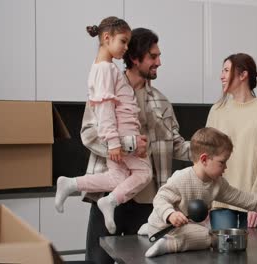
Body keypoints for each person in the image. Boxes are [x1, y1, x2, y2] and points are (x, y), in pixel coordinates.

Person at [80, 27, 191, 264]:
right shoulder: (106, 88)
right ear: (134, 58)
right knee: (98, 260)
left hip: (147, 203)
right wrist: (127, 146)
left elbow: (176, 146)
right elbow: (89, 134)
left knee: (142, 261)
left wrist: (207, 151)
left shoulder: (161, 101)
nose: (159, 62)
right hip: (109, 196)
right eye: (153, 56)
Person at [54, 16, 152, 235]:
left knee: (118, 178)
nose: (126, 48)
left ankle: (72, 185)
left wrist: (115, 142)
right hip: (123, 133)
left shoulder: (104, 68)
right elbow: (105, 109)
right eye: (123, 41)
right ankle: (108, 201)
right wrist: (115, 143)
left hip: (120, 134)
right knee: (144, 173)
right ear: (107, 38)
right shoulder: (105, 69)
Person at [137, 127, 257, 258]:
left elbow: (237, 196)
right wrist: (171, 214)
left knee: (199, 229)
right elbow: (160, 199)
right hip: (165, 226)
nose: (225, 167)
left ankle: (150, 229)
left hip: (184, 227)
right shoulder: (181, 178)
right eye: (222, 162)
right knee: (209, 237)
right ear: (204, 159)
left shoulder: (217, 183)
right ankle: (167, 244)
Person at [207, 53, 257, 229]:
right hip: (221, 201)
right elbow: (206, 157)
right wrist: (205, 197)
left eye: (226, 70)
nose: (221, 76)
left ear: (243, 75)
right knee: (222, 256)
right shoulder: (217, 110)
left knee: (255, 256)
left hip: (253, 202)